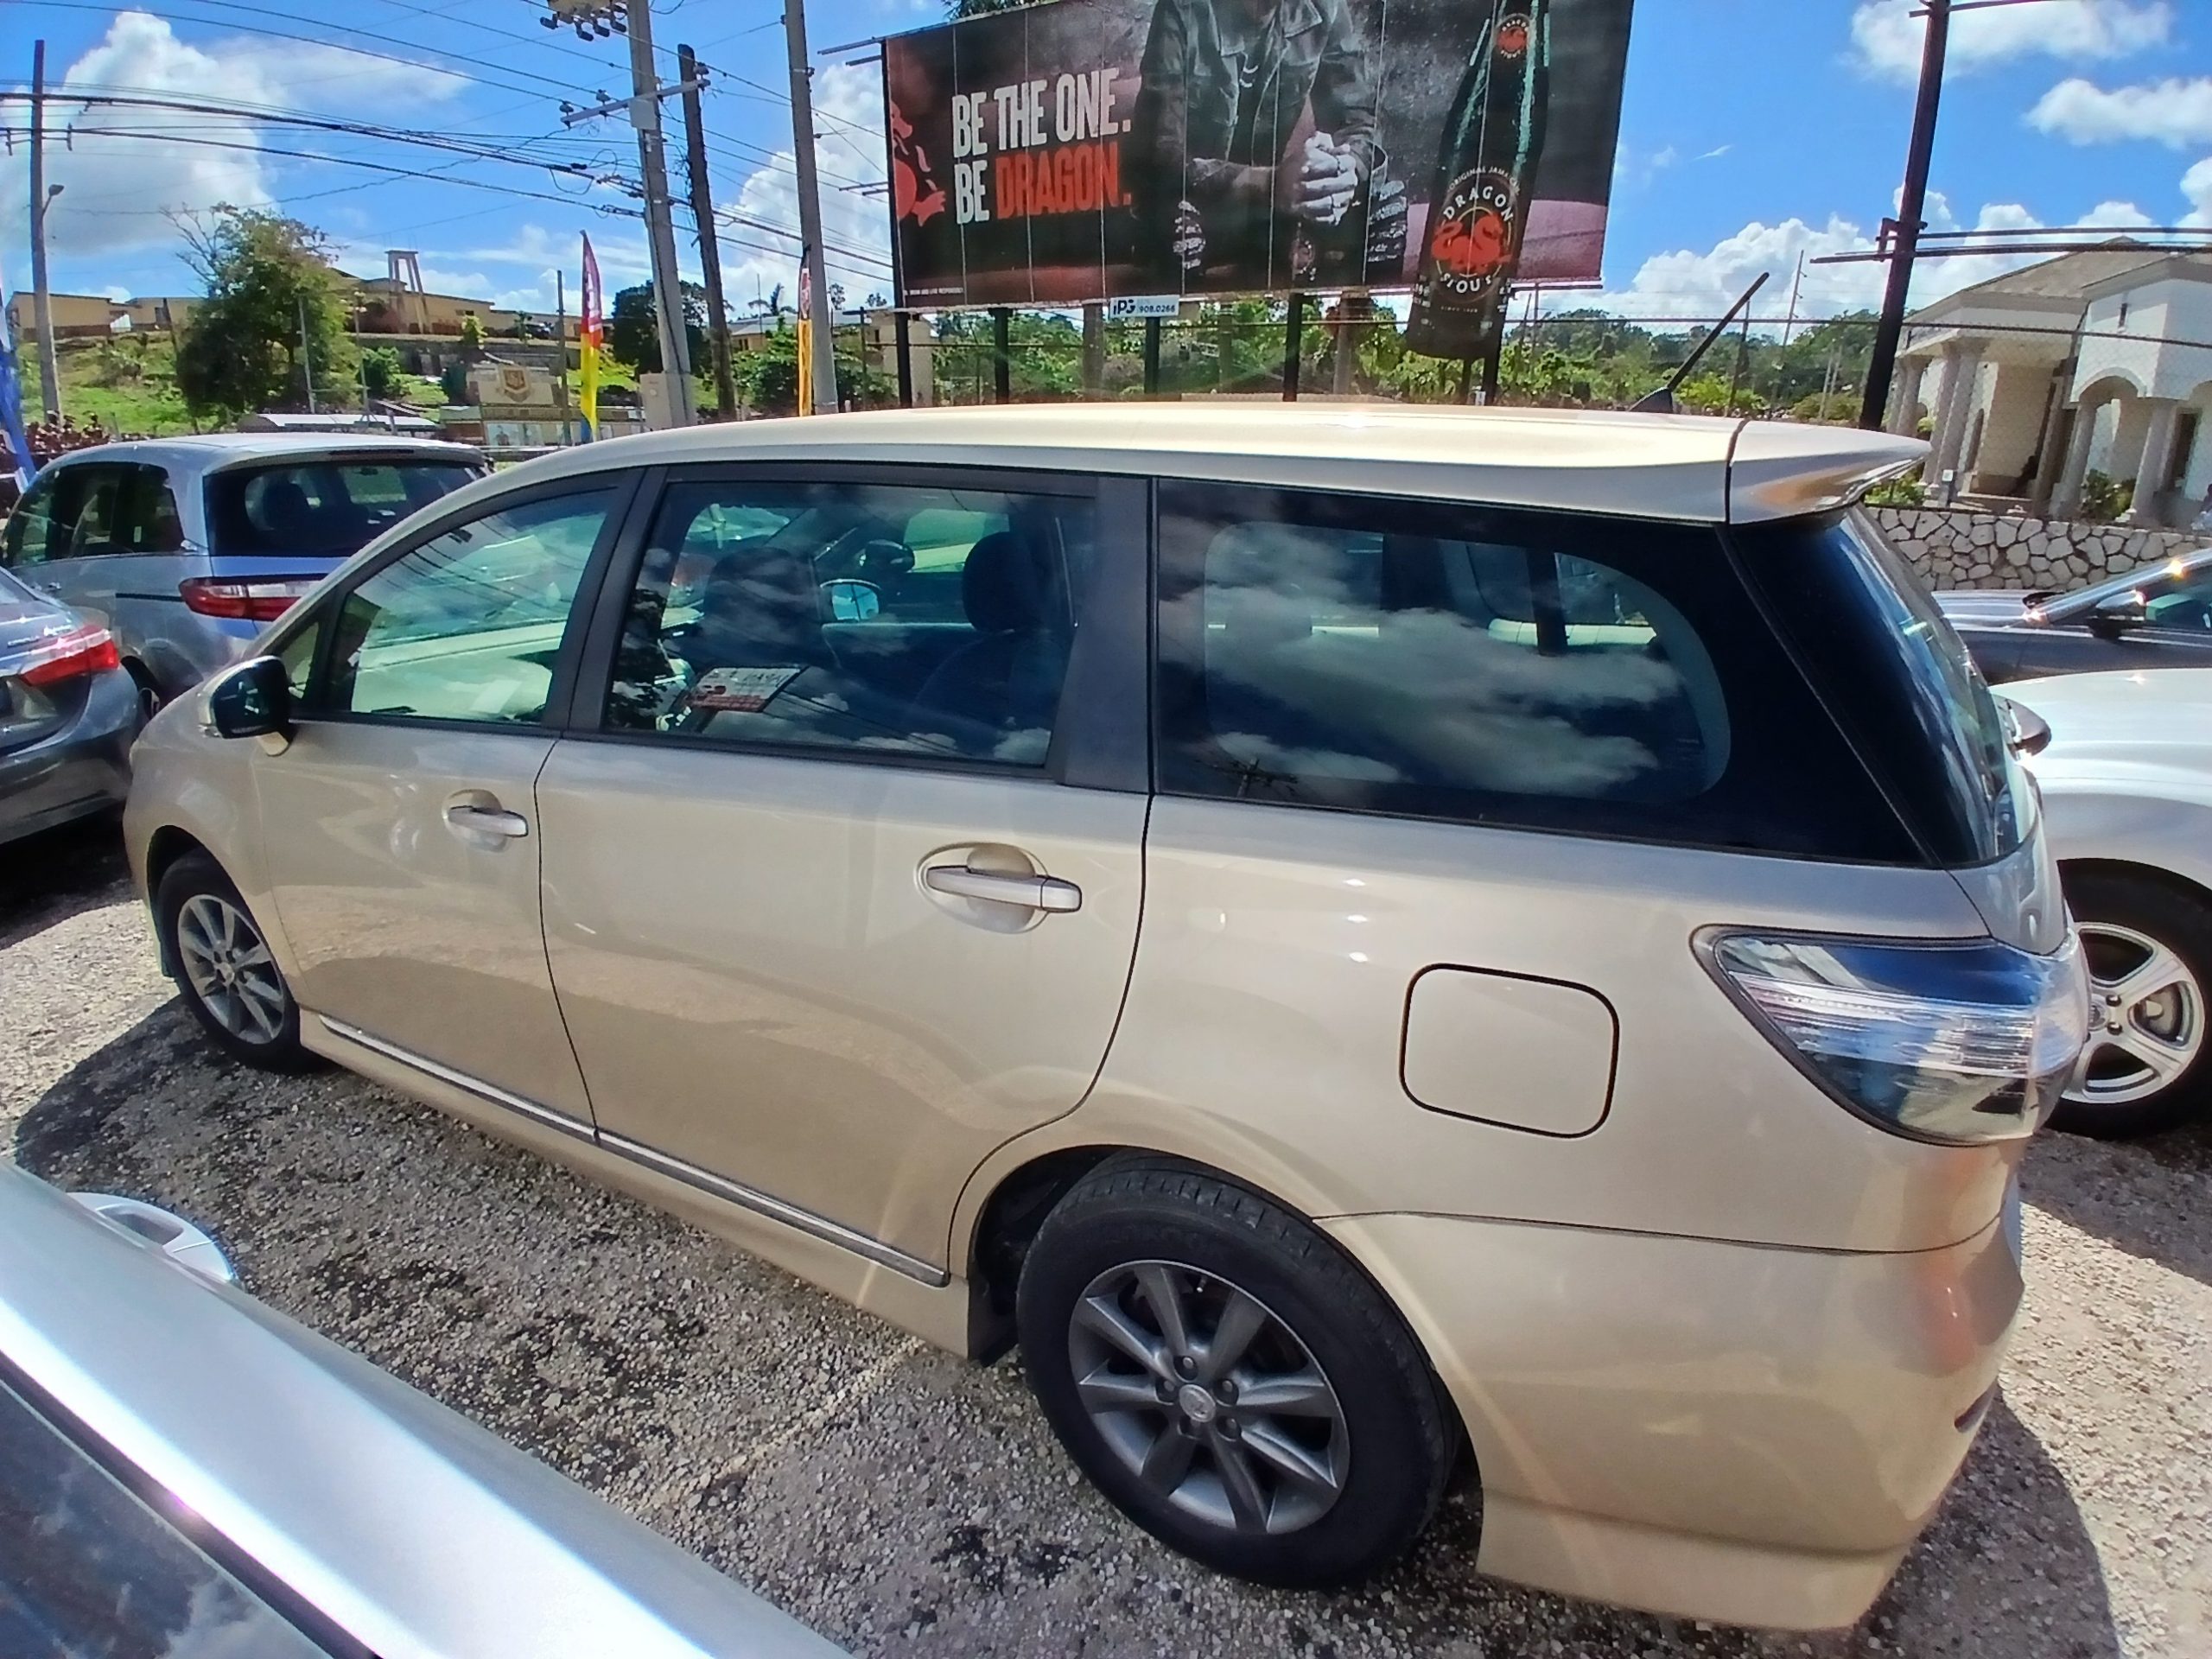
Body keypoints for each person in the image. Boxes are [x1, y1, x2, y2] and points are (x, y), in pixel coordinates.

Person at [1128, 0, 1378, 289]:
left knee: (1380, 213)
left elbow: (1360, 121)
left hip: (1274, 213)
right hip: (1195, 204)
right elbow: (1159, 155)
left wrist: (1340, 170)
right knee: (1178, 247)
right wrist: (1270, 183)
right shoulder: (1182, 9)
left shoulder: (1325, 7)